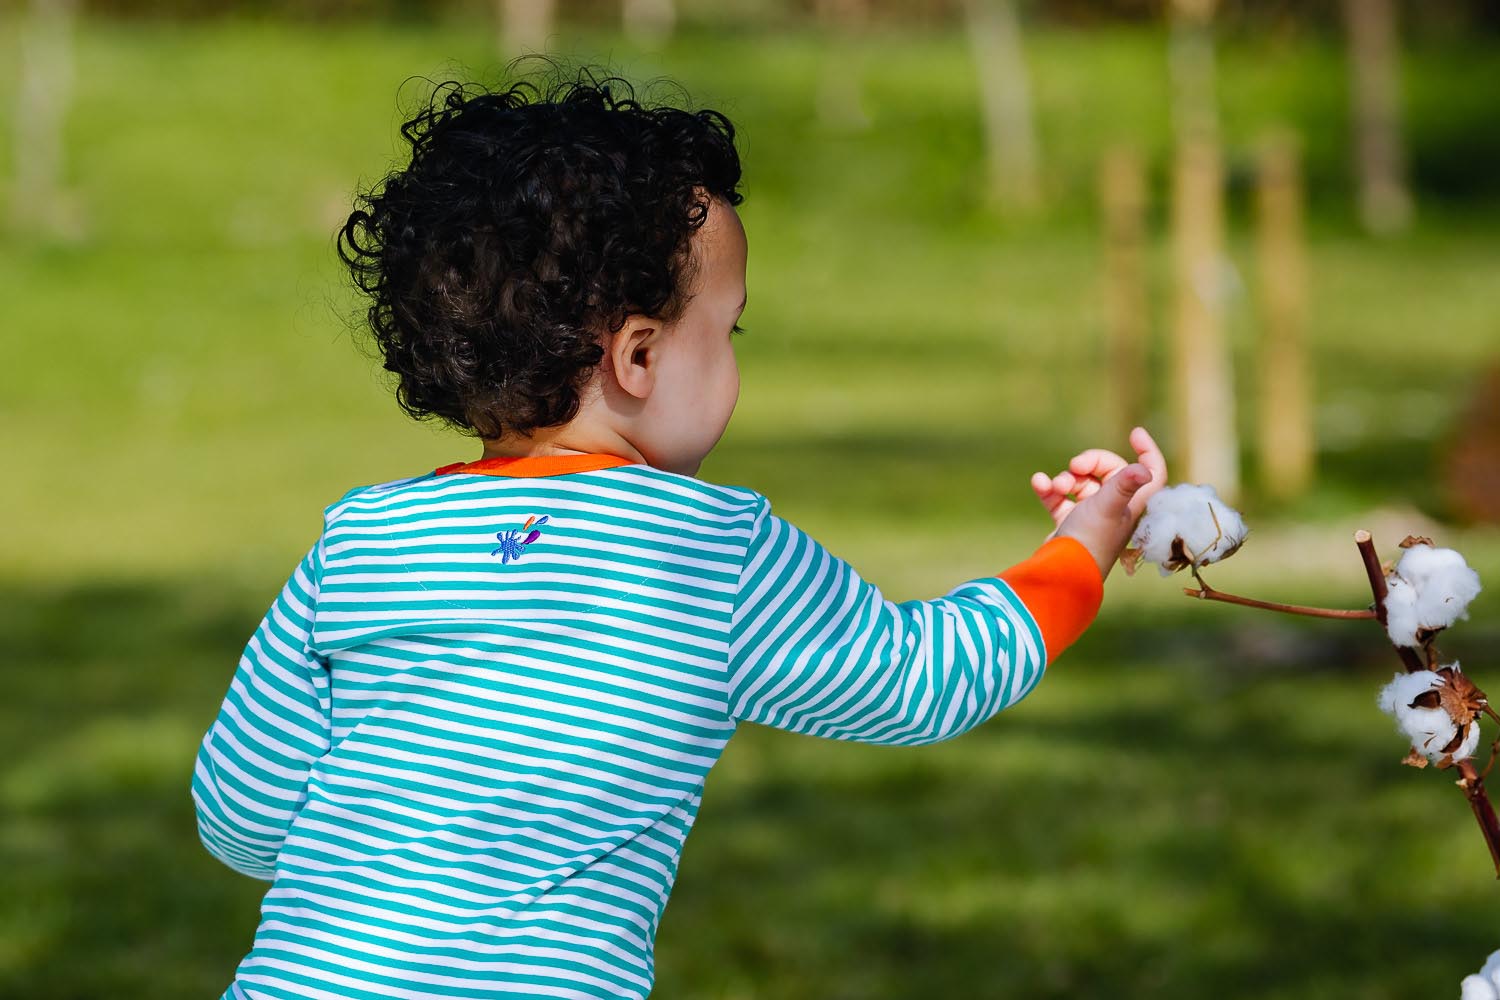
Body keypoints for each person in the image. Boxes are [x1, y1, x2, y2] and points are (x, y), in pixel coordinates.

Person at [192, 68, 1167, 1000]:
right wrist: (1079, 549)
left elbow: (240, 811)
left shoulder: (365, 539)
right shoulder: (709, 549)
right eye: (728, 330)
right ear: (641, 354)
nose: (734, 360)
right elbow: (920, 678)